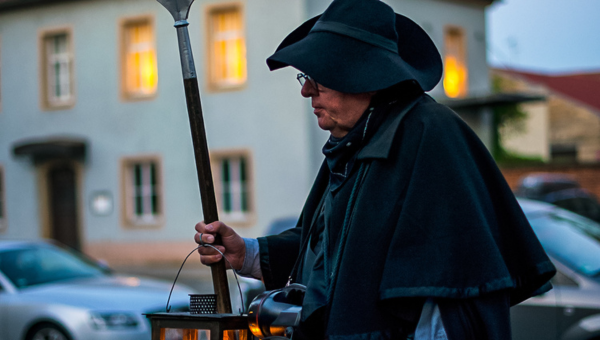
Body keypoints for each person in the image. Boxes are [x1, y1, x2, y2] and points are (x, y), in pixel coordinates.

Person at [195, 0, 556, 339]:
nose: (306, 91)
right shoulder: (355, 142)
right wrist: (247, 253)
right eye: (304, 78)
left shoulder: (428, 135)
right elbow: (328, 250)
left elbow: (444, 291)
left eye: (316, 77)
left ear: (360, 76)